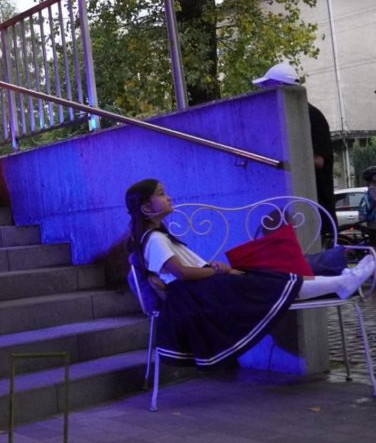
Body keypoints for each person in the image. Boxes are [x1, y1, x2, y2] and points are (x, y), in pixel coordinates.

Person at [126, 178, 375, 368]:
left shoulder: (156, 237)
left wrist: (218, 270)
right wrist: (215, 271)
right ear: (147, 207)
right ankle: (344, 280)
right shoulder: (155, 239)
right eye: (161, 194)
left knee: (272, 278)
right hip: (200, 295)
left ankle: (344, 279)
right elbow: (181, 273)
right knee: (271, 283)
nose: (169, 197)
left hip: (203, 289)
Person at [253, 63, 335, 232]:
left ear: (282, 87)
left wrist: (285, 163)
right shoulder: (282, 118)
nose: (266, 93)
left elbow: (318, 161)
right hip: (292, 207)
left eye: (269, 87)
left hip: (314, 208)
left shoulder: (311, 115)